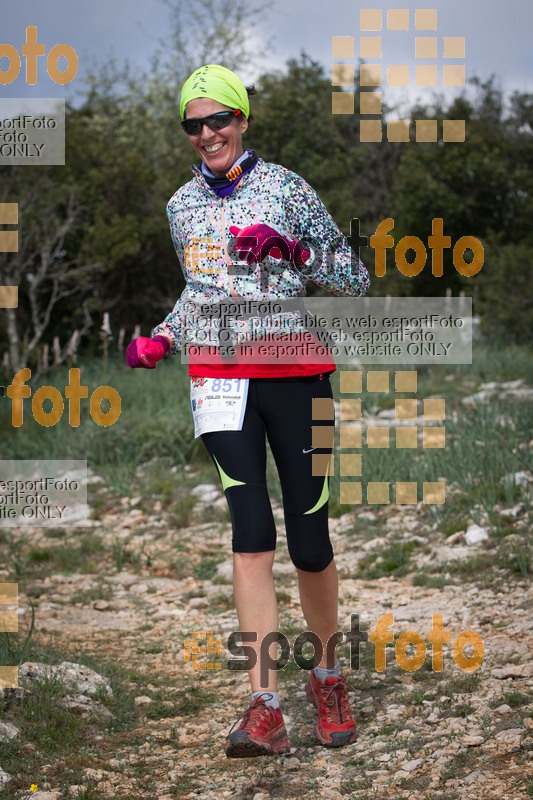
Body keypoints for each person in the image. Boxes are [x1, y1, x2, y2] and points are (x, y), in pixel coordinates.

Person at [127, 64, 370, 758]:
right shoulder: (180, 206)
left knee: (310, 535)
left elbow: (352, 276)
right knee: (250, 531)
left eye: (218, 120)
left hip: (294, 369)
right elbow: (197, 291)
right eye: (194, 125)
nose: (207, 134)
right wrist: (162, 335)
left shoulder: (287, 188)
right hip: (218, 376)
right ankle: (264, 704)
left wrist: (289, 247)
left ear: (241, 119)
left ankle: (327, 678)